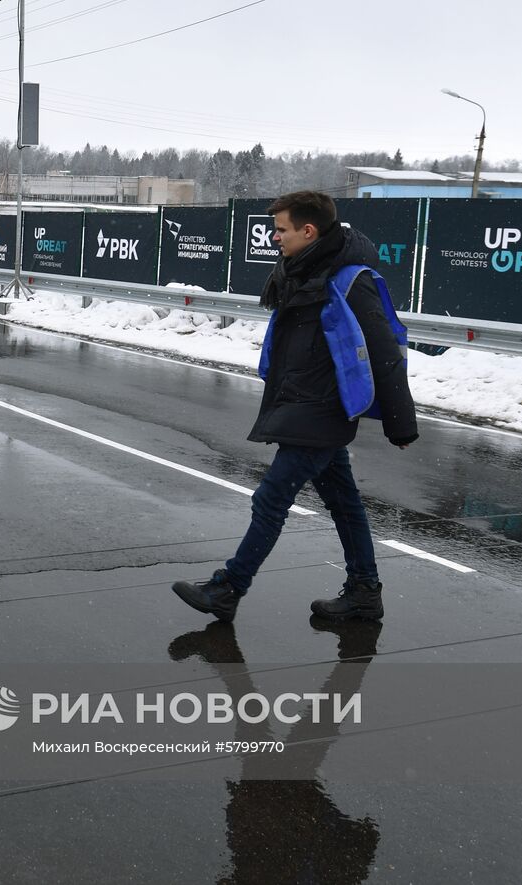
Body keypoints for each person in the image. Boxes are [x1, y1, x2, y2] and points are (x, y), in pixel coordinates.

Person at [173, 190, 417, 624]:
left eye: (281, 229)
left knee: (270, 499)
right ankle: (364, 592)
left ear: (308, 231)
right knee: (344, 504)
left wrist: (400, 423)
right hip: (302, 401)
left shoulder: (349, 279)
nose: (274, 237)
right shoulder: (300, 271)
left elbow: (383, 351)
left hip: (323, 408)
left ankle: (229, 588)